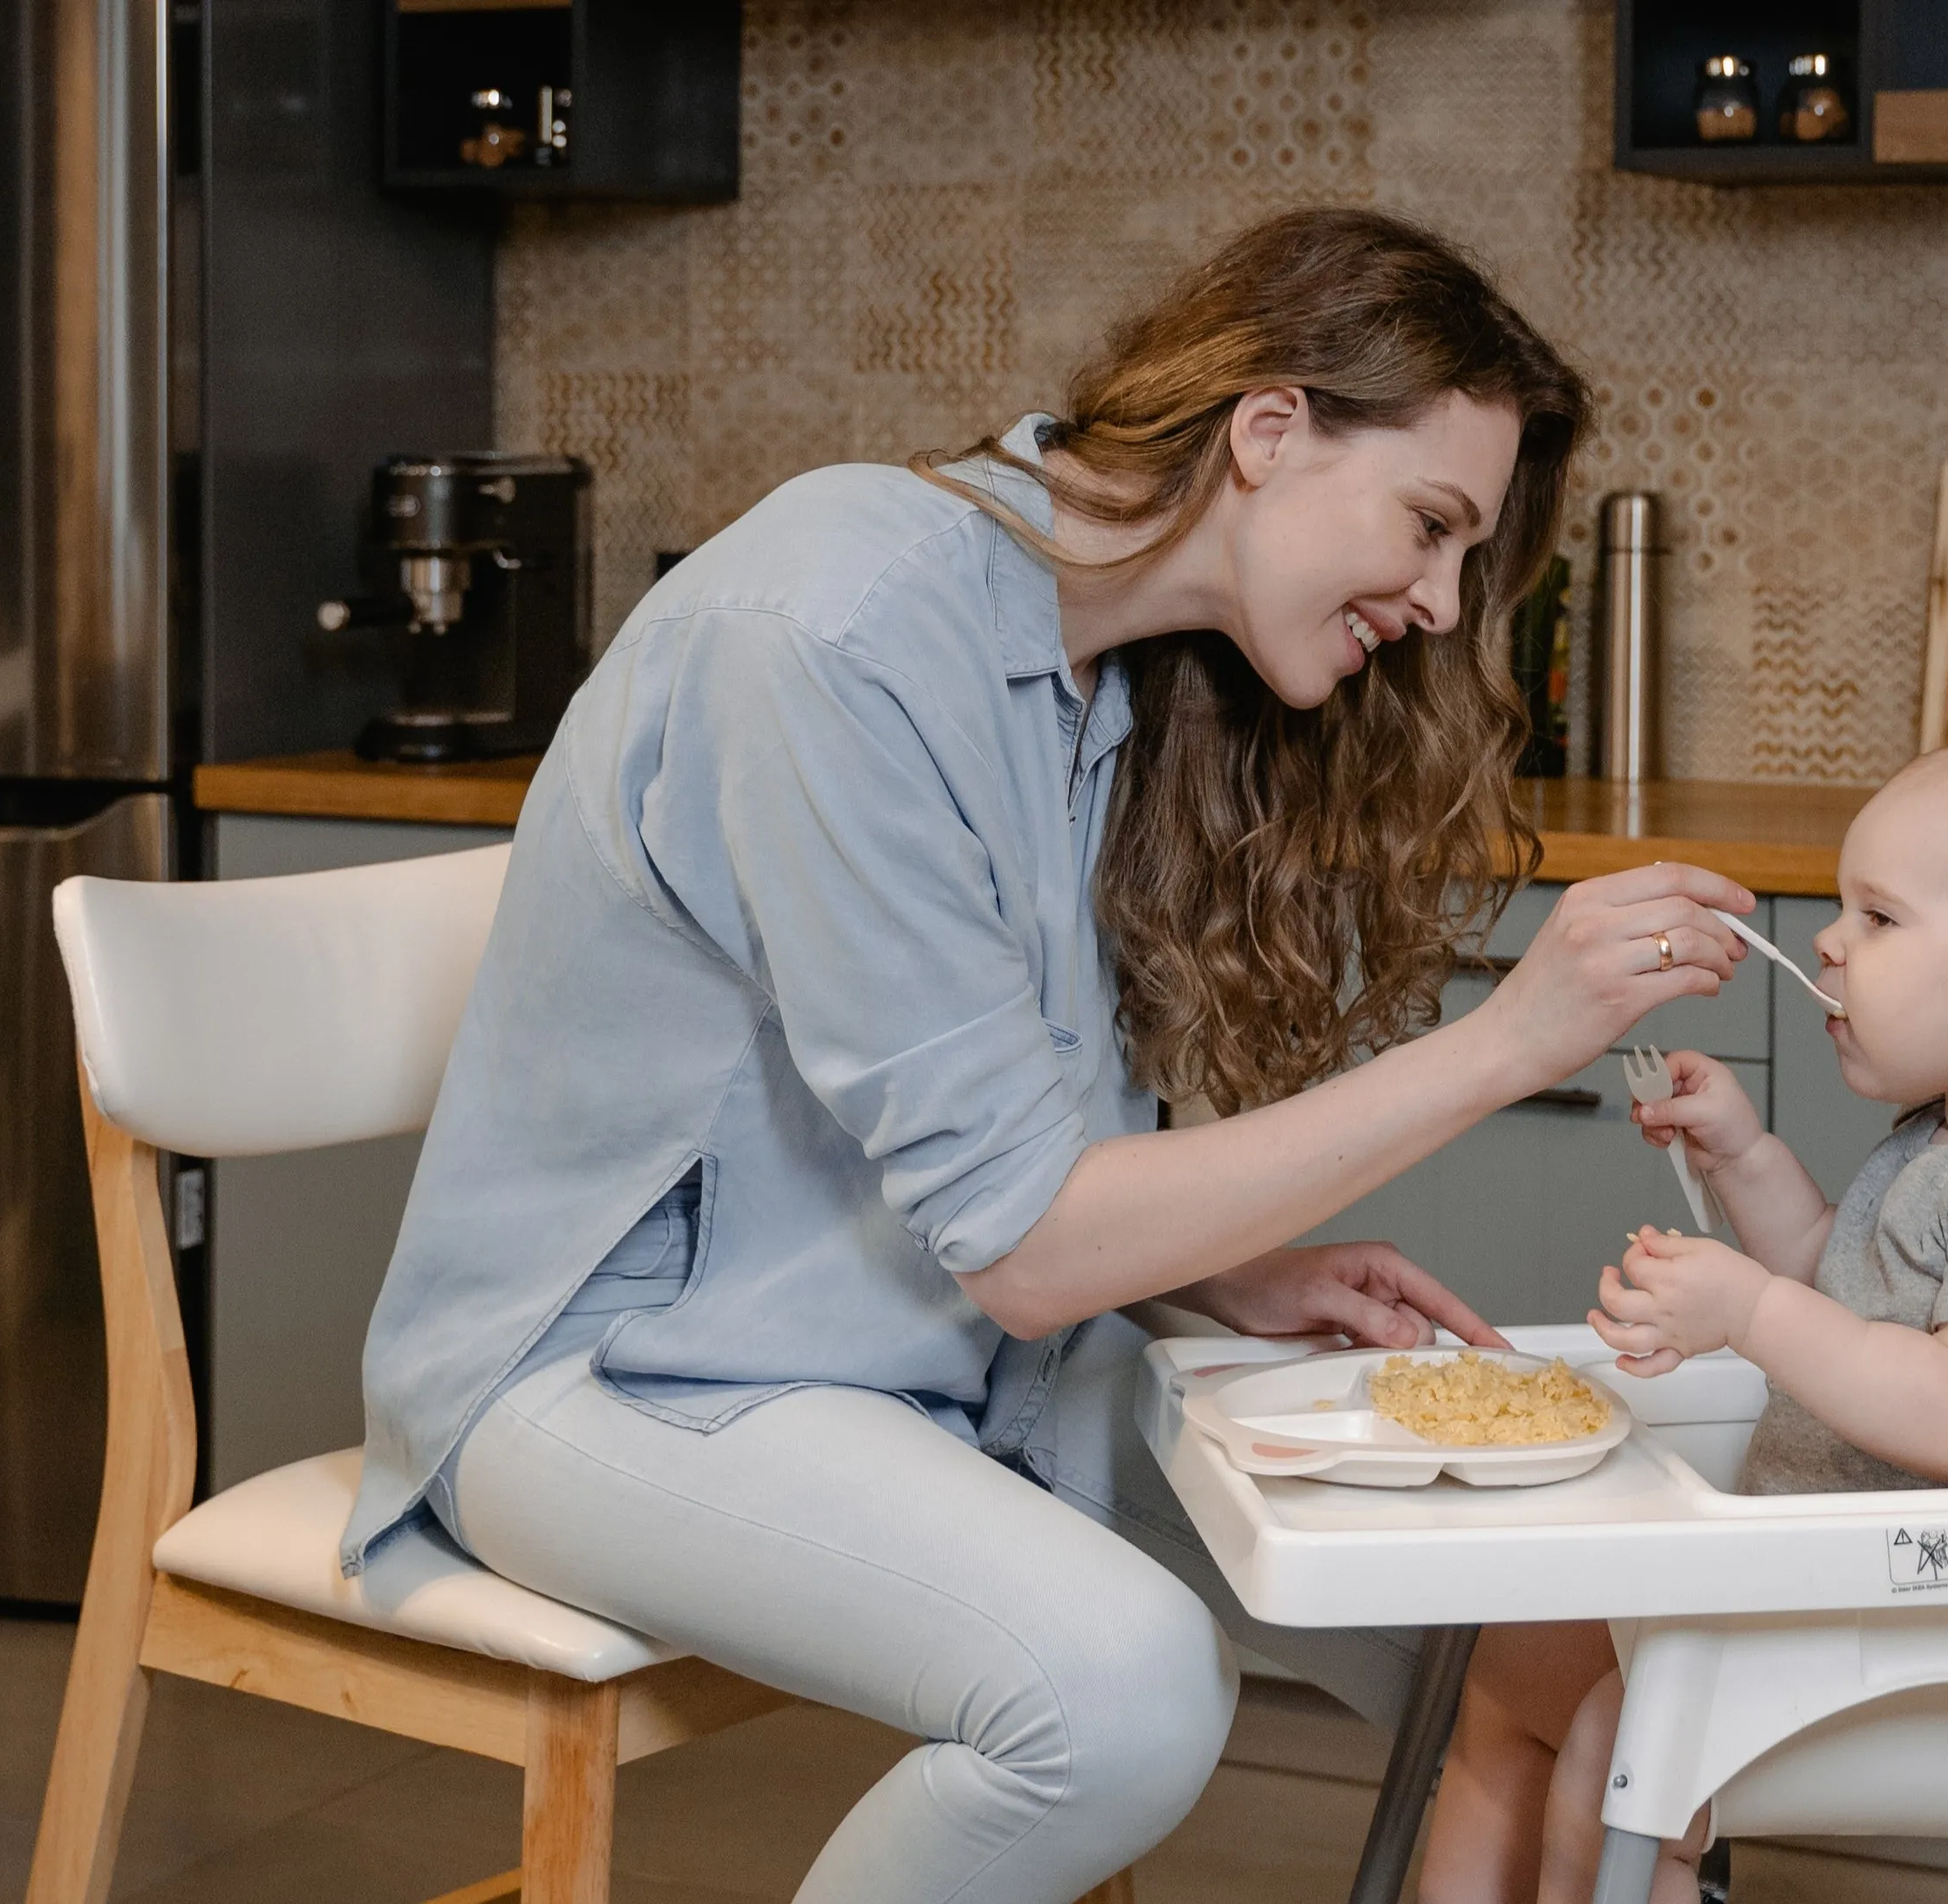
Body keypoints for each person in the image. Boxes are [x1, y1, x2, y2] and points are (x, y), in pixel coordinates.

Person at [334, 205, 1761, 1904]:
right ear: (1270, 431)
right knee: (1120, 1692)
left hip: (905, 1353)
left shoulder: (1109, 676)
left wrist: (1213, 1276)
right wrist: (1513, 1037)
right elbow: (1023, 1246)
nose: (1447, 607)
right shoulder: (836, 636)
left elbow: (991, 1167)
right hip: (614, 1382)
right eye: (1433, 527)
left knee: (1514, 1627)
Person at [1419, 735, 1948, 1904]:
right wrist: (1743, 1157)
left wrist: (1748, 1308)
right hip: (1847, 1590)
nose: (1828, 943)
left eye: (1877, 919)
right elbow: (1848, 1294)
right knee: (1516, 1668)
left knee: (1618, 1747)